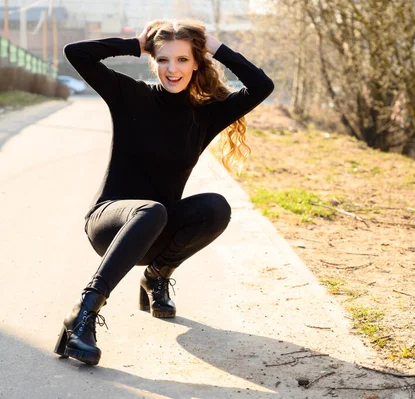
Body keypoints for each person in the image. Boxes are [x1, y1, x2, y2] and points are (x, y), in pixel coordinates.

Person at [53, 19, 274, 366]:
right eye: (163, 60)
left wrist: (215, 46)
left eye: (183, 59)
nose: (172, 69)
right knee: (151, 209)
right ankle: (82, 315)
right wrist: (133, 44)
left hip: (157, 228)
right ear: (152, 61)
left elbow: (262, 85)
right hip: (110, 224)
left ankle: (156, 276)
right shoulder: (130, 95)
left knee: (215, 207)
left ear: (197, 63)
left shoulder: (203, 116)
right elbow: (76, 53)